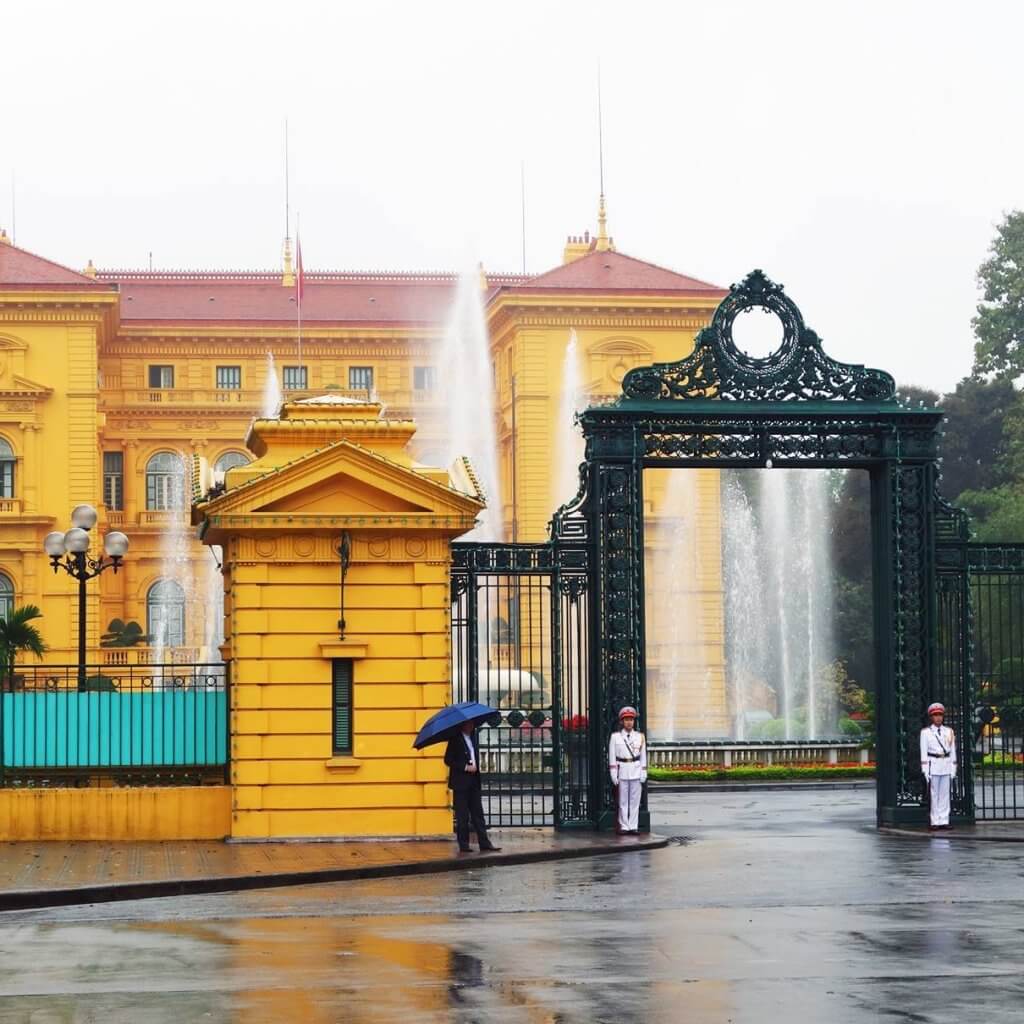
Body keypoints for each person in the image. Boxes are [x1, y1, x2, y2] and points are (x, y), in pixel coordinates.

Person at [444, 722, 501, 853]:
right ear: (463, 725)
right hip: (461, 782)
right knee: (462, 816)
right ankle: (464, 845)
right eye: (469, 724)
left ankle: (485, 843)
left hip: (474, 780)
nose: (471, 726)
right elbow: (448, 760)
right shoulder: (455, 739)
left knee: (478, 814)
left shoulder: (473, 737)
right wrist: (465, 767)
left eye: (472, 723)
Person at [608, 706, 647, 834]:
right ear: (622, 722)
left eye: (631, 719)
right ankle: (624, 826)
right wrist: (613, 773)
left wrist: (644, 771)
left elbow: (643, 756)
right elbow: (612, 756)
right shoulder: (615, 737)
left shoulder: (640, 736)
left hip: (635, 770)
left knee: (635, 801)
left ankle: (633, 826)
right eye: (626, 720)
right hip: (622, 771)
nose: (629, 722)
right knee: (623, 801)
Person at [920, 701, 957, 831]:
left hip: (946, 765)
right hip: (933, 765)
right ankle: (935, 821)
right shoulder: (926, 733)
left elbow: (953, 751)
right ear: (931, 717)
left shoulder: (949, 731)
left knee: (945, 795)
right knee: (934, 795)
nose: (938, 717)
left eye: (940, 715)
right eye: (935, 715)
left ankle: (944, 820)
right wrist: (925, 771)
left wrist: (953, 769)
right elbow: (923, 753)